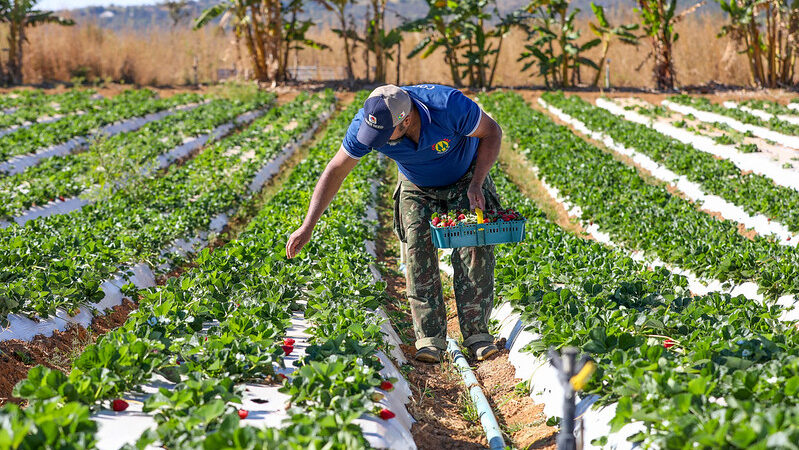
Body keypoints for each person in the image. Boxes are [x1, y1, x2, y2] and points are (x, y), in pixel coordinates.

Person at [285, 84, 503, 363]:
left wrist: (477, 182)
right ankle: (430, 339)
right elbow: (336, 170)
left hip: (466, 175)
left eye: (385, 135)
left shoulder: (448, 106)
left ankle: (477, 336)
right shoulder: (366, 124)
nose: (378, 141)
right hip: (416, 185)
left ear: (406, 120)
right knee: (417, 253)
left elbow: (492, 131)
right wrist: (308, 225)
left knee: (473, 248)